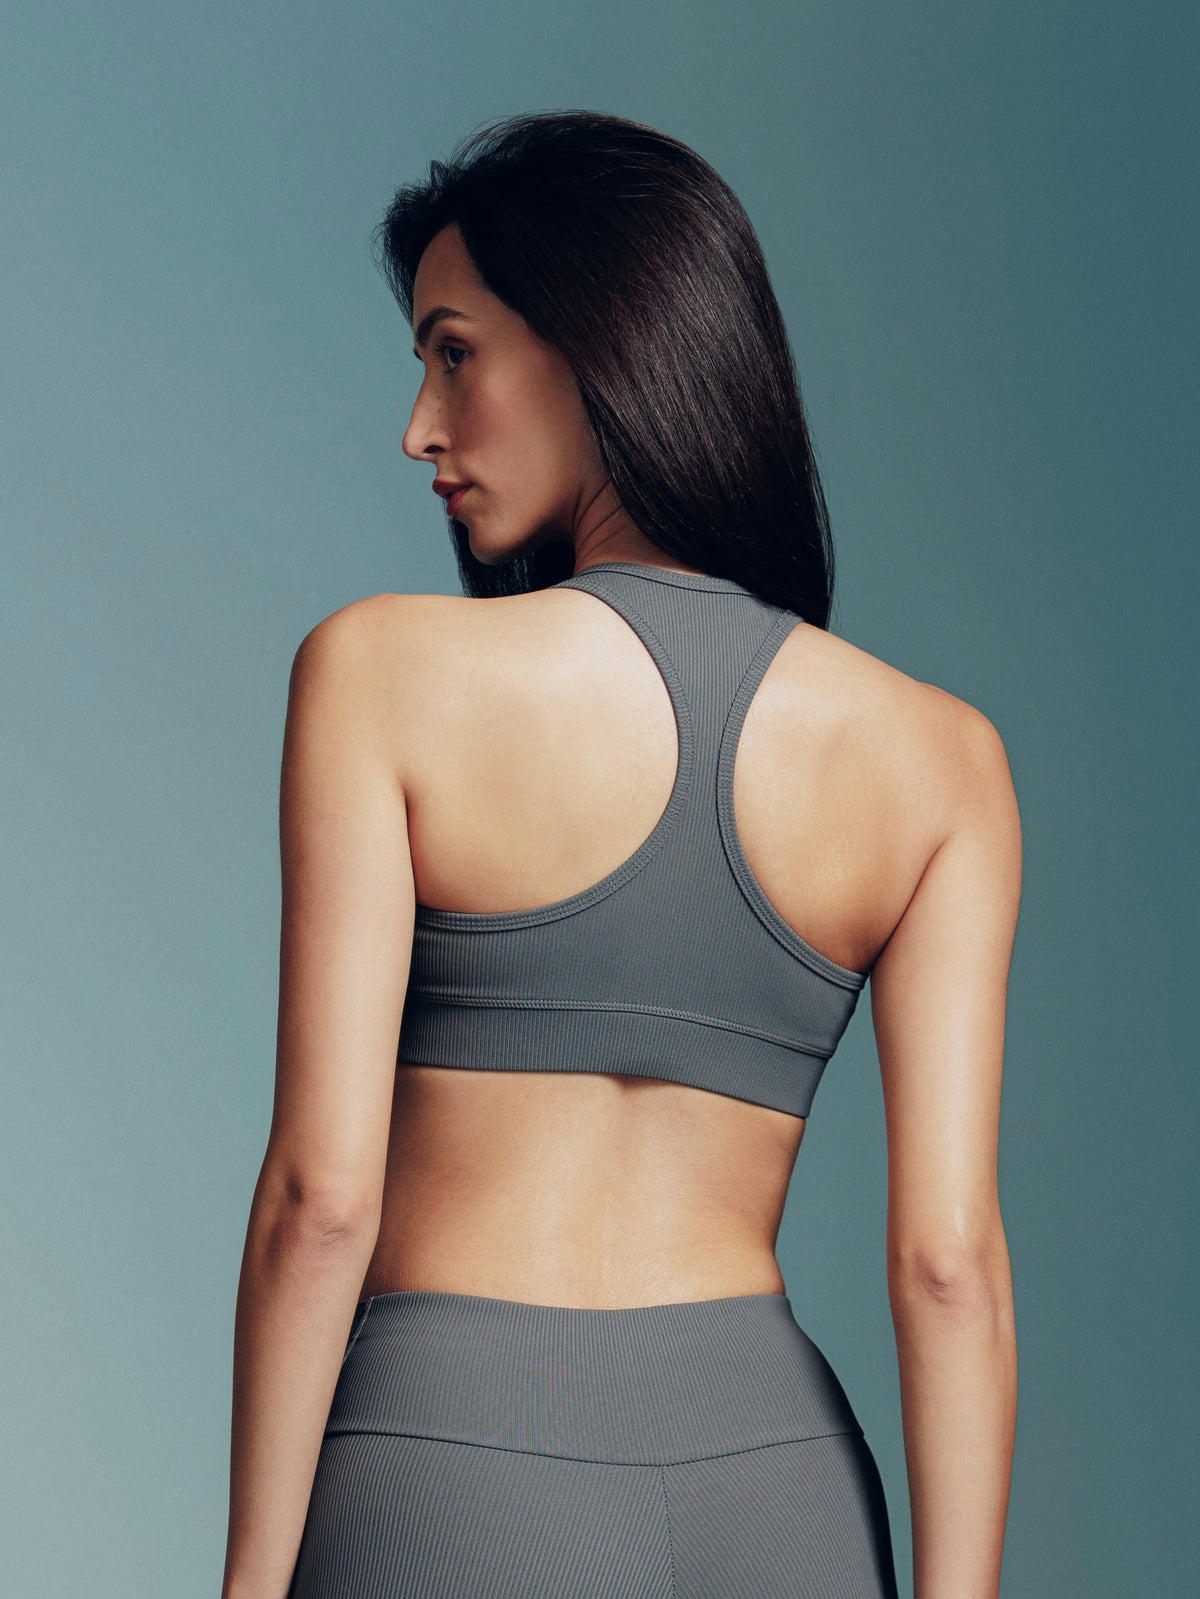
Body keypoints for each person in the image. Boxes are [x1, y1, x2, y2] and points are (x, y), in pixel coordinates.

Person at [220, 112, 1020, 1599]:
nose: (420, 428)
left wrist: (249, 1585)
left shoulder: (382, 674)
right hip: (777, 1487)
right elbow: (950, 1264)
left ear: (592, 342)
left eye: (452, 354)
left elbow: (320, 1202)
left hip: (452, 1464)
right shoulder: (942, 760)